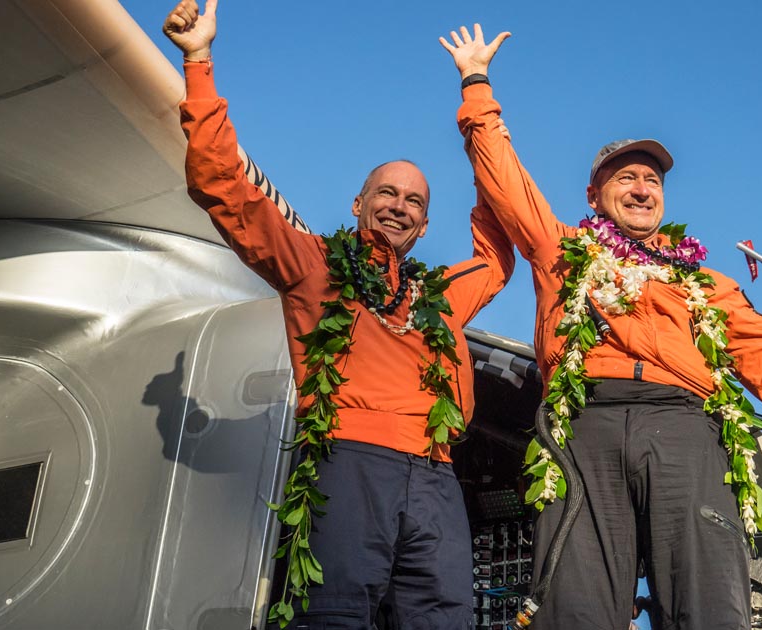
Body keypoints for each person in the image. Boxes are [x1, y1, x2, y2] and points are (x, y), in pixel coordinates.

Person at [439, 25, 762, 630]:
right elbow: (508, 184)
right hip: (585, 426)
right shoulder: (563, 252)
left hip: (684, 430)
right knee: (574, 605)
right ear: (595, 197)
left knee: (708, 602)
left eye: (652, 178)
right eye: (624, 177)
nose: (642, 186)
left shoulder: (708, 288)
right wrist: (476, 85)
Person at [164, 3, 515, 628]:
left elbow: (497, 251)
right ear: (358, 202)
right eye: (387, 192)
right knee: (332, 615)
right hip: (350, 460)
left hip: (436, 478)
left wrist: (476, 98)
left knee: (443, 620)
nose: (399, 207)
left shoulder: (438, 295)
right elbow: (223, 185)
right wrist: (198, 60)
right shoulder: (312, 264)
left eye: (414, 201)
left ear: (426, 223)